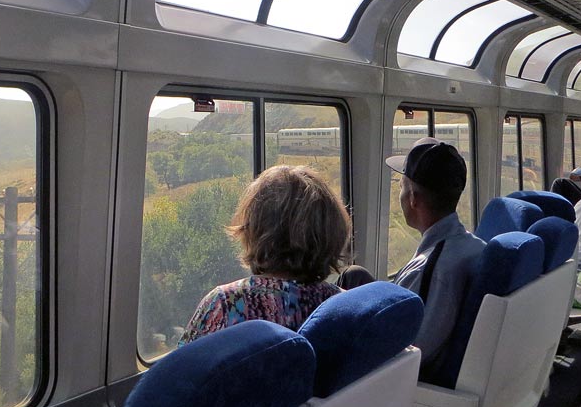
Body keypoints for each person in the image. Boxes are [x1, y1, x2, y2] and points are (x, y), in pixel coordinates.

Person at [177, 165, 351, 345]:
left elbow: (179, 370)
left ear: (253, 229)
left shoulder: (226, 304)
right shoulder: (345, 307)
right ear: (333, 230)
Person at [387, 137, 485, 378]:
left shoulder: (433, 268)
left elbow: (415, 351)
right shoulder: (474, 246)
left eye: (401, 186)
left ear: (413, 198)